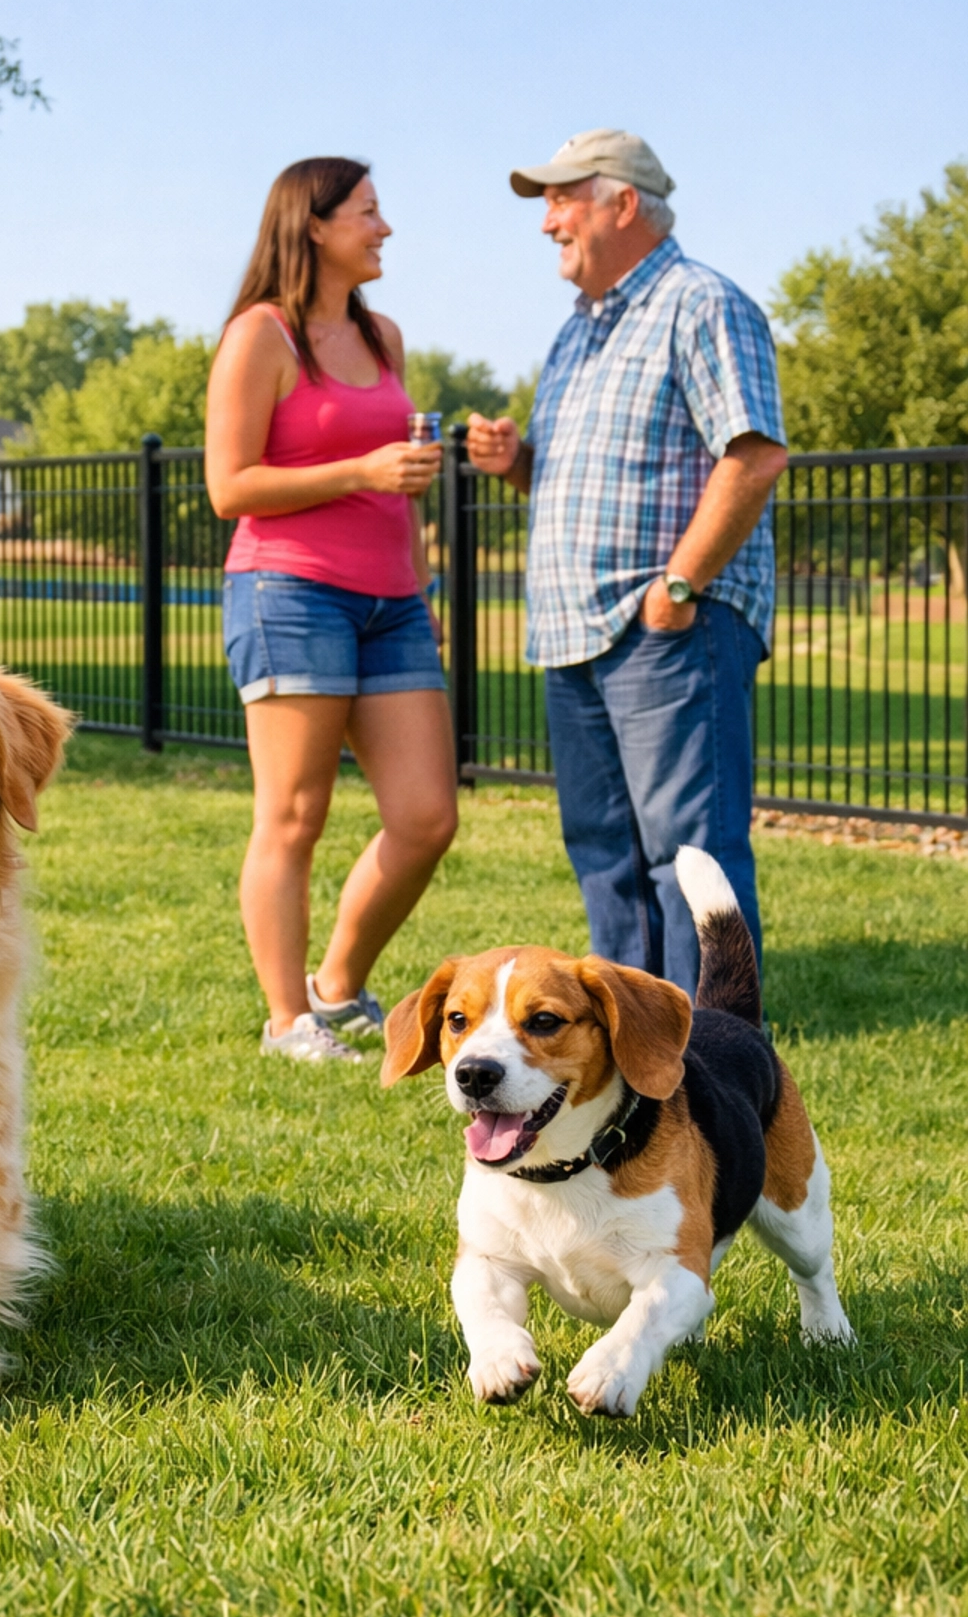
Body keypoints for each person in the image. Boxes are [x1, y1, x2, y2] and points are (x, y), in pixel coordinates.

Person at [466, 128, 787, 999]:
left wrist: (679, 588)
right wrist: (517, 462)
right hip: (573, 633)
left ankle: (716, 1040)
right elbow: (584, 475)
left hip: (666, 630)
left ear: (623, 203)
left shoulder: (701, 303)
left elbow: (753, 454)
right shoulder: (576, 334)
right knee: (605, 855)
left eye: (561, 199)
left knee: (689, 855)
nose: (547, 223)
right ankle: (640, 1039)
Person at [206, 157, 459, 1063]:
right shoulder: (261, 336)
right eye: (368, 213)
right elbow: (229, 486)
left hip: (392, 604)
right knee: (294, 815)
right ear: (313, 225)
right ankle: (287, 1022)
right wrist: (361, 470)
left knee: (428, 816)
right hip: (289, 591)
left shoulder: (384, 335)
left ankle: (338, 986)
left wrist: (421, 589)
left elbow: (404, 487)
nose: (384, 229)